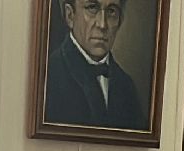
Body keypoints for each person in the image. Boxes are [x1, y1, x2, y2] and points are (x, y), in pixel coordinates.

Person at [44, 0, 148, 131]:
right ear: (70, 15)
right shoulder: (48, 75)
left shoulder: (126, 86)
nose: (102, 24)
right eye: (92, 8)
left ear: (120, 20)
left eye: (111, 11)